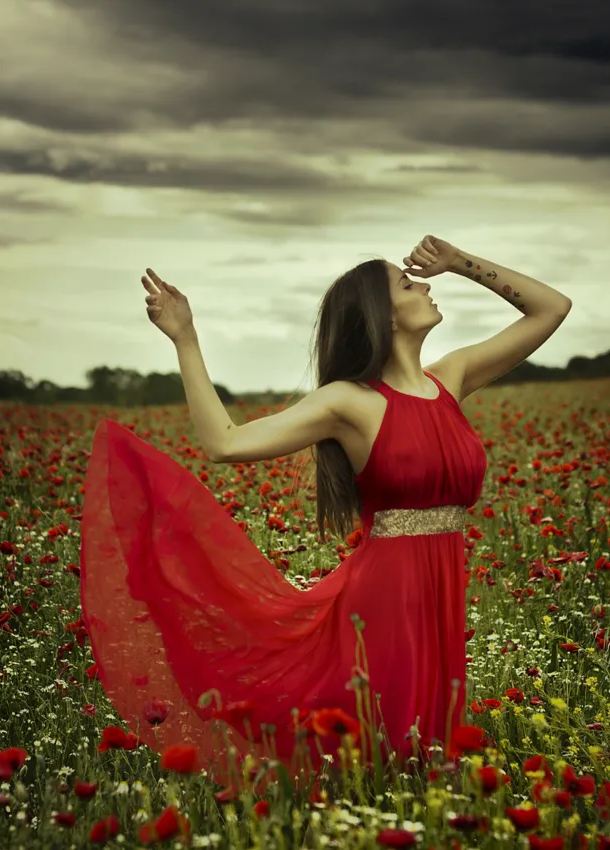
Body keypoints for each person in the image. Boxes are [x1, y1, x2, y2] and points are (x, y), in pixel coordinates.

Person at [79, 235, 572, 791]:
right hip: (386, 597)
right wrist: (185, 338)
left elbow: (551, 308)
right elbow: (224, 442)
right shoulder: (349, 402)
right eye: (409, 285)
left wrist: (460, 262)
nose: (428, 285)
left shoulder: (451, 379)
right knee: (386, 753)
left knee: (428, 762)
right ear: (381, 316)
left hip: (441, 588)